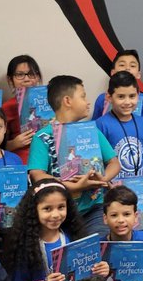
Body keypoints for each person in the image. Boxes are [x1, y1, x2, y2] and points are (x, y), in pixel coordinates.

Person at [28, 74, 120, 238]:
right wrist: (72, 187)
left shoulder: (91, 131)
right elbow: (37, 175)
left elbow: (114, 162)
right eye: (83, 96)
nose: (88, 102)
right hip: (60, 214)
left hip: (94, 208)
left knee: (96, 250)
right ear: (67, 101)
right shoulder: (43, 136)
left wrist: (102, 180)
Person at [94, 70, 143, 193]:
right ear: (109, 97)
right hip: (113, 193)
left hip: (142, 191)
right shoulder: (101, 125)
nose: (127, 102)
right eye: (121, 97)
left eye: (132, 96)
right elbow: (98, 164)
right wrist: (107, 184)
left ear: (138, 95)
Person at [91, 49, 143, 127]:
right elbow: (94, 128)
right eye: (122, 65)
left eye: (132, 66)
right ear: (112, 72)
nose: (127, 68)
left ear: (138, 74)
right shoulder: (102, 98)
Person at [1, 54, 43, 162]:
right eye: (20, 75)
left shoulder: (50, 101)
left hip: (49, 158)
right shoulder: (7, 107)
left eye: (31, 74)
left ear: (38, 77)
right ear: (10, 79)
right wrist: (14, 143)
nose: (26, 79)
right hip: (22, 160)